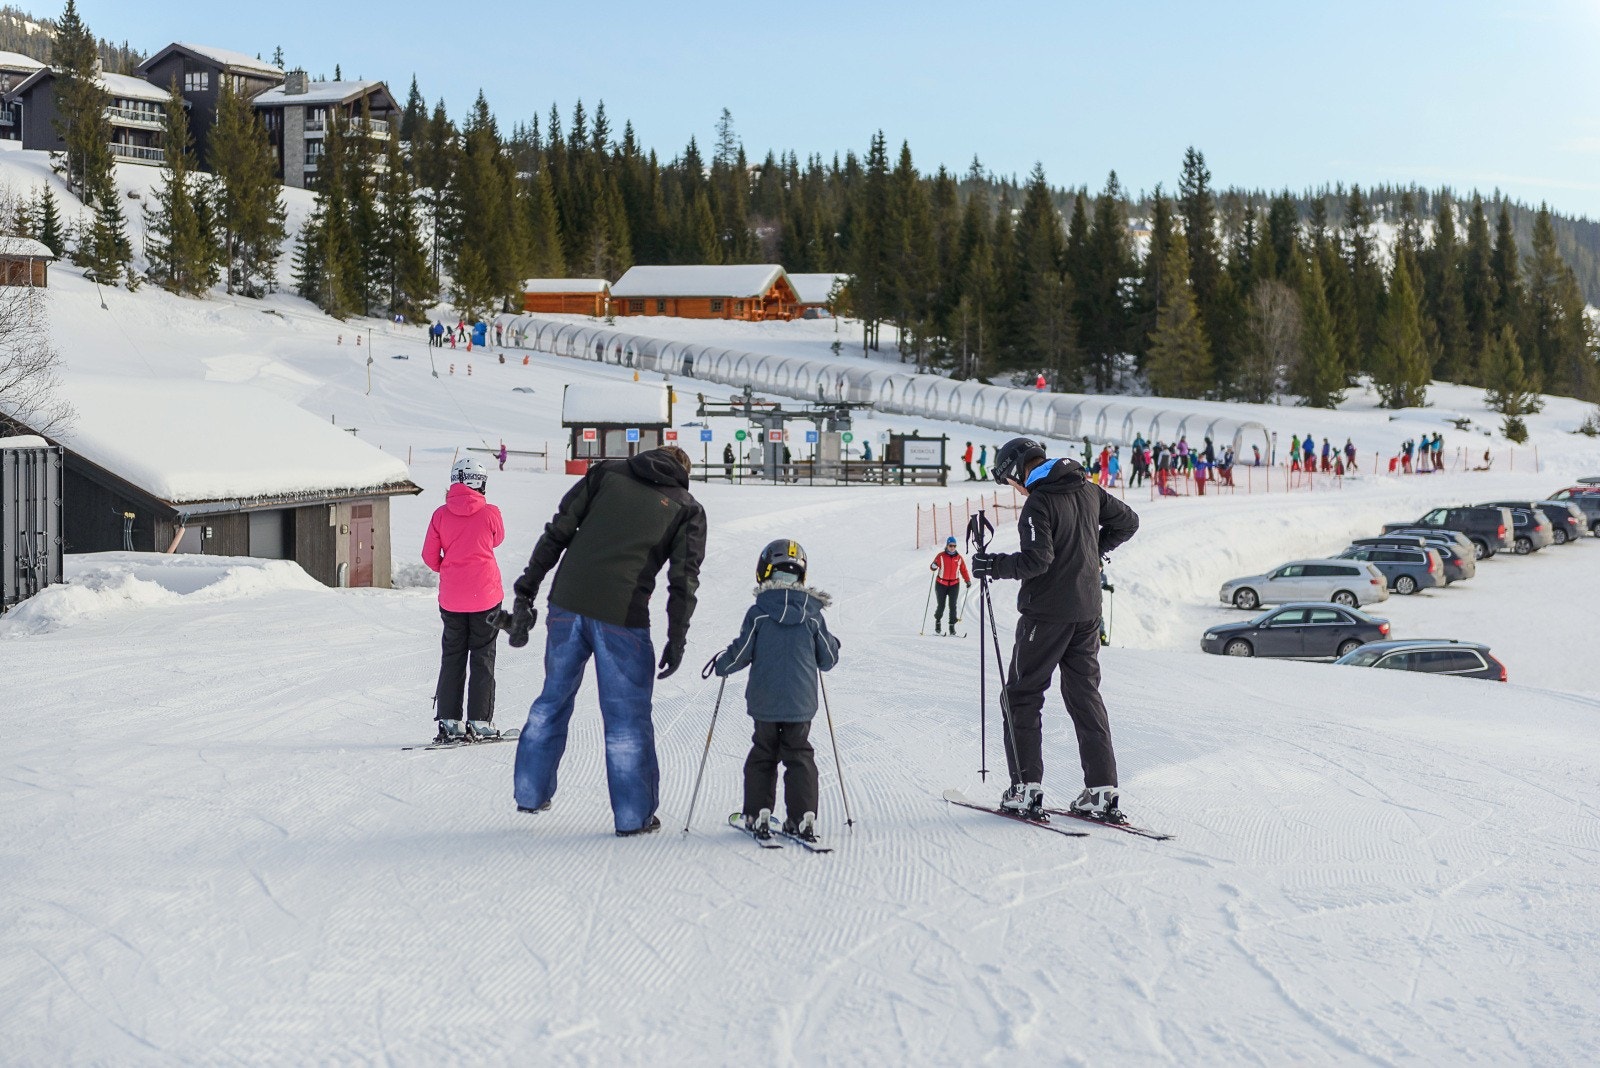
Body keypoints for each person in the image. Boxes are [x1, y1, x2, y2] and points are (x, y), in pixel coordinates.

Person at [506, 445, 707, 836]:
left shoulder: (605, 473)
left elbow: (559, 530)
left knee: (552, 699)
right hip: (622, 617)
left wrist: (526, 588)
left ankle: (530, 793)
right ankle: (633, 817)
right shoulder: (687, 508)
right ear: (683, 471)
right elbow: (684, 581)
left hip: (566, 603)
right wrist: (676, 637)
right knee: (627, 721)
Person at [971, 438, 1140, 822]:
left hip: (1046, 615)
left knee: (1021, 696)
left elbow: (1037, 561)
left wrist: (992, 566)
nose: (1015, 489)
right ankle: (1101, 790)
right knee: (1085, 695)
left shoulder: (1039, 501)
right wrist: (1094, 551)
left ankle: (1025, 789)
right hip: (1086, 613)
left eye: (1010, 481)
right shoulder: (1087, 488)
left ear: (1017, 470)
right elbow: (1128, 522)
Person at [713, 539, 841, 842]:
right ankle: (802, 817)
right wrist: (834, 646)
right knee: (799, 754)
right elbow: (828, 658)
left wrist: (722, 664)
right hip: (801, 703)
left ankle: (757, 813)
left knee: (763, 753)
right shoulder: (813, 615)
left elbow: (741, 651)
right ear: (802, 577)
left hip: (765, 702)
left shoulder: (758, 612)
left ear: (764, 573)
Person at [421, 457, 507, 743]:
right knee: (482, 657)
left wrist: (449, 567)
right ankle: (481, 722)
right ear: (481, 483)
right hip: (485, 597)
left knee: (453, 657)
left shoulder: (440, 515)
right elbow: (497, 540)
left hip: (452, 600)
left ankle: (449, 722)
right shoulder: (491, 512)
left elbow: (429, 557)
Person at [929, 535, 971, 636]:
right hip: (941, 584)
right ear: (947, 545)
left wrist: (967, 580)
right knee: (941, 605)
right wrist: (933, 566)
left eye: (954, 546)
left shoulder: (959, 558)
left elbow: (963, 570)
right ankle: (938, 621)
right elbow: (933, 566)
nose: (952, 548)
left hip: (954, 585)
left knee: (953, 606)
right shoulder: (941, 556)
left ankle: (952, 626)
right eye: (950, 545)